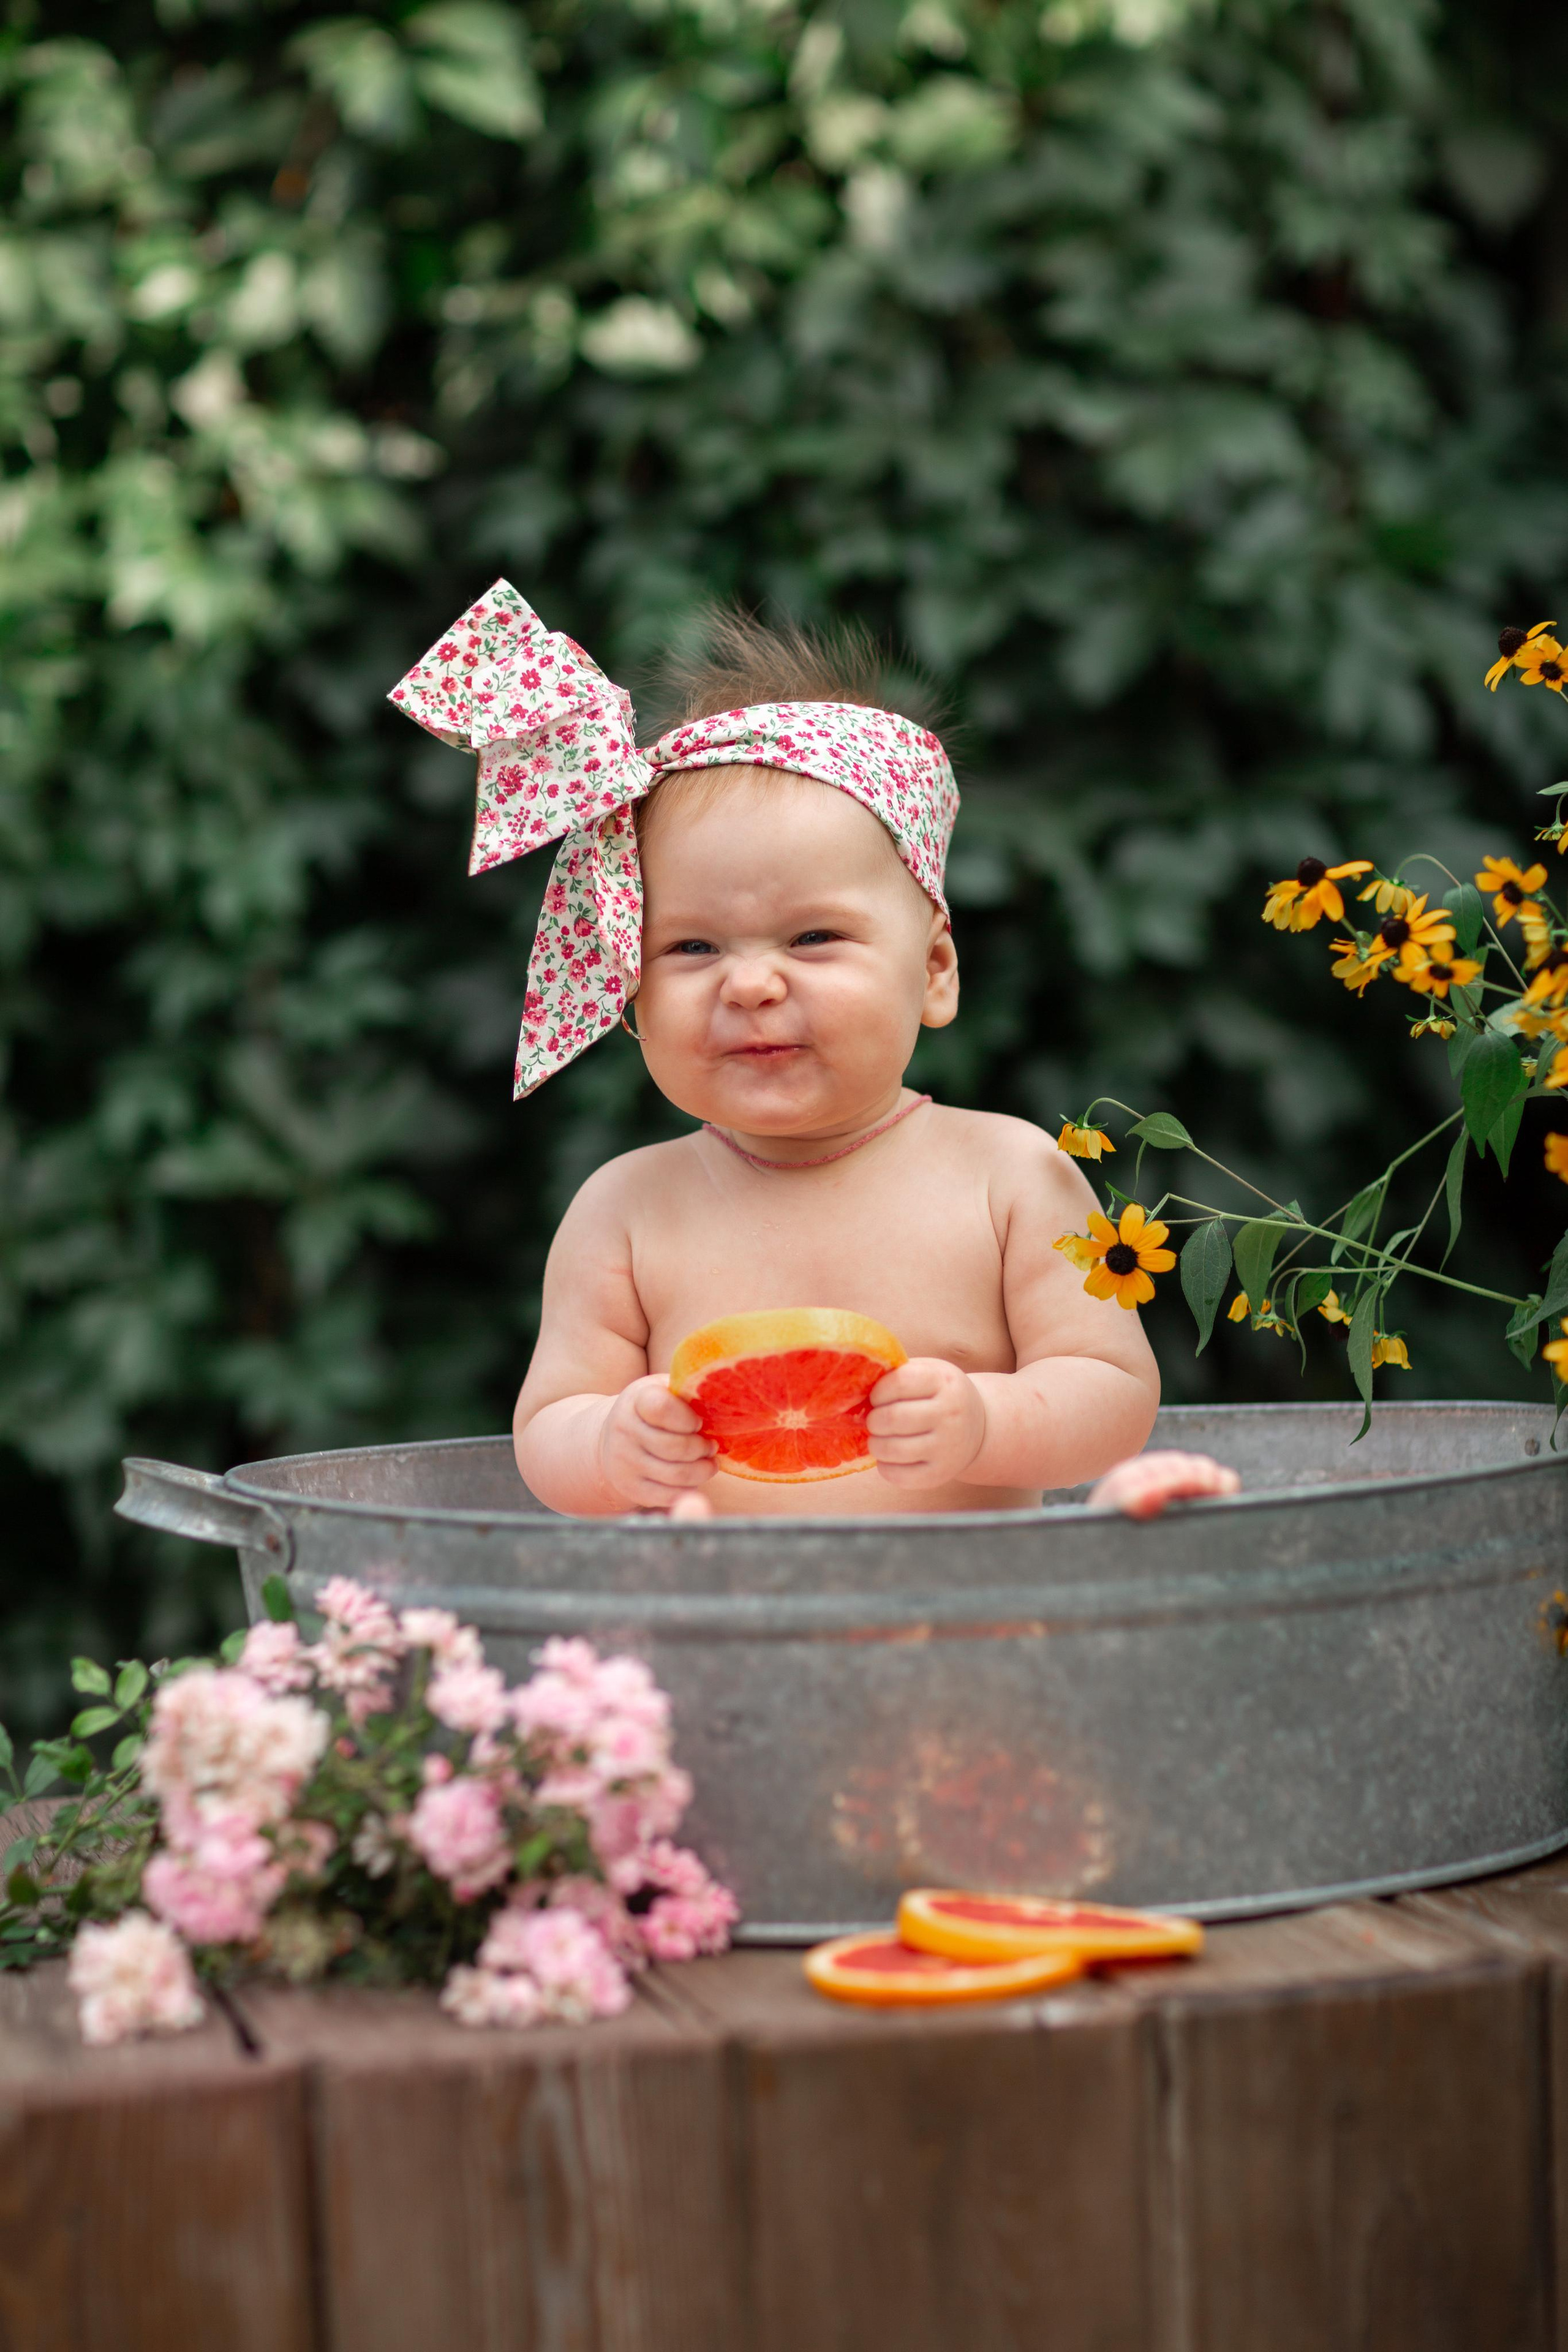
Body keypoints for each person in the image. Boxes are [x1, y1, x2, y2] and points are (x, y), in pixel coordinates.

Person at [390, 584, 1239, 1523]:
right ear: (627, 983)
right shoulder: (625, 1211)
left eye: (813, 939)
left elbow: (1112, 1391)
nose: (749, 985)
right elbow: (549, 1425)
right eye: (692, 948)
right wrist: (608, 1441)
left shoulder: (1008, 1175)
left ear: (936, 970)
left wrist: (986, 1421)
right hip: (724, 1638)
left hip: (966, 1625)